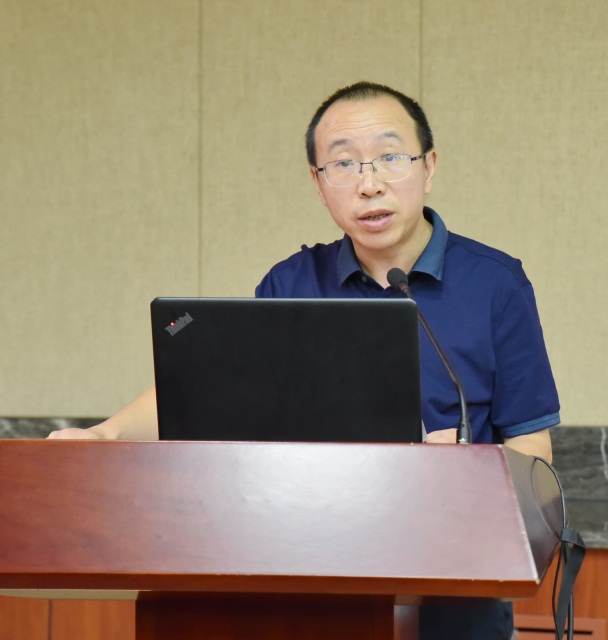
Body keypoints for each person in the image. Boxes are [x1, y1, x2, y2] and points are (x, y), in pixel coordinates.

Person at [48, 81, 560, 639]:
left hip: (456, 588)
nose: (369, 184)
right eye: (343, 165)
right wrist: (104, 435)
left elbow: (533, 451)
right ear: (319, 185)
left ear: (429, 166)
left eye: (390, 158)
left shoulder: (496, 284)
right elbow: (208, 384)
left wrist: (470, 476)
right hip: (315, 581)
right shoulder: (291, 284)